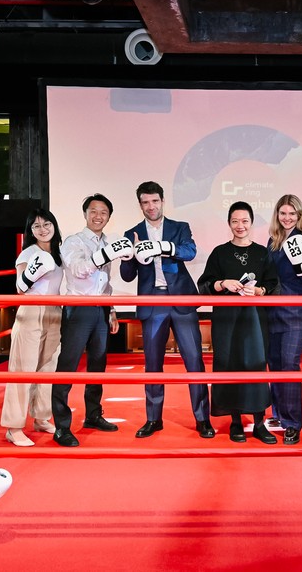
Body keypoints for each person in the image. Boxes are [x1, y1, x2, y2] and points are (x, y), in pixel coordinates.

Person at [121, 181, 213, 439]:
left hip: (182, 300)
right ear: (140, 204)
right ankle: (153, 419)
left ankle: (202, 418)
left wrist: (162, 247)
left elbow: (190, 251)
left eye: (154, 201)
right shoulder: (132, 233)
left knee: (194, 361)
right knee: (152, 365)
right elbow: (127, 276)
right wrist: (129, 256)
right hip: (153, 302)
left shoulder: (179, 227)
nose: (151, 206)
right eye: (145, 202)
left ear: (162, 201)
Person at [52, 193, 133, 447]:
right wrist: (105, 255)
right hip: (78, 309)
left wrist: (111, 311)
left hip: (100, 309)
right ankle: (61, 427)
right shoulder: (73, 242)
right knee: (67, 367)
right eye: (94, 211)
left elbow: (104, 283)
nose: (98, 216)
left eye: (104, 213)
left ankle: (93, 415)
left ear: (109, 217)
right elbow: (78, 269)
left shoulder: (107, 241)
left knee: (98, 365)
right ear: (86, 213)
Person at [197, 201, 280, 443]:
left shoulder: (262, 252)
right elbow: (205, 284)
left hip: (255, 319)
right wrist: (223, 284)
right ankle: (235, 421)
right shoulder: (219, 252)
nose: (240, 226)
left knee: (255, 365)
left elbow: (274, 283)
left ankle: (258, 422)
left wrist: (261, 291)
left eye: (244, 221)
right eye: (235, 221)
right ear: (229, 224)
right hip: (226, 320)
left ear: (252, 223)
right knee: (228, 365)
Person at [0, 208, 65, 446]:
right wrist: (31, 274)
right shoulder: (28, 253)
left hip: (55, 311)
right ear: (31, 231)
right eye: (36, 226)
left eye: (46, 224)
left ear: (54, 225)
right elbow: (20, 287)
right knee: (22, 369)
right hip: (31, 311)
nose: (43, 229)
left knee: (47, 368)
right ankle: (13, 426)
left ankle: (41, 417)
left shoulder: (59, 253)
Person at [264, 194, 302, 445]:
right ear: (277, 215)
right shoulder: (273, 241)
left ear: (300, 215)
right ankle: (279, 414)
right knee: (275, 364)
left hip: (297, 311)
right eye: (283, 213)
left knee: (289, 364)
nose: (287, 218)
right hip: (273, 311)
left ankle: (292, 424)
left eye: (292, 214)